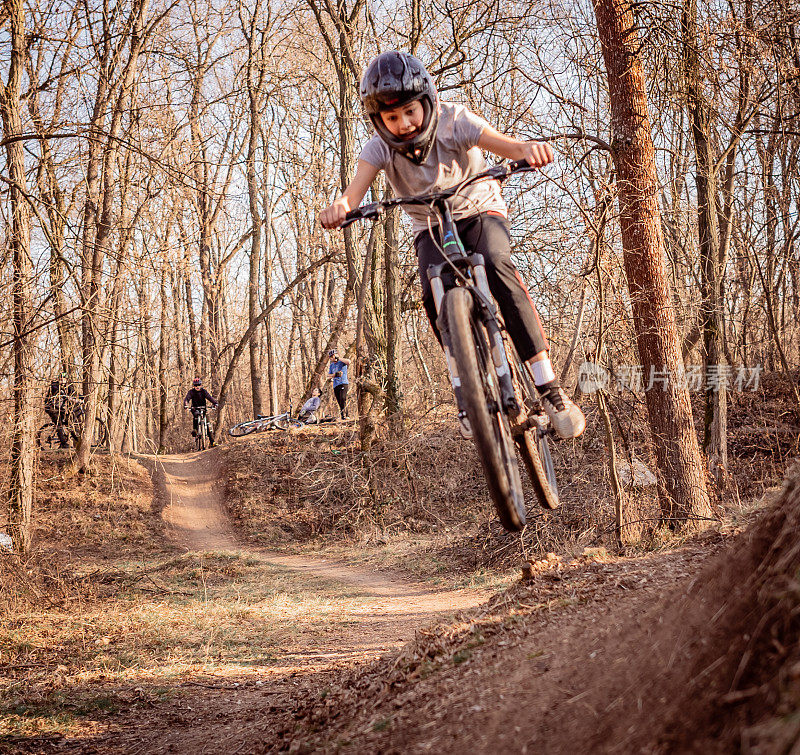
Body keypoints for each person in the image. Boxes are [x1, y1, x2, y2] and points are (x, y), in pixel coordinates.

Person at [320, 51, 585, 440]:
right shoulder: (378, 148)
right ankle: (467, 389)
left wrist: (527, 150)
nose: (404, 124)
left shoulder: (454, 120)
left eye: (410, 112)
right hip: (430, 225)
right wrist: (341, 208)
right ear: (379, 121)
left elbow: (503, 144)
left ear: (427, 103)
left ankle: (549, 388)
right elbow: (354, 192)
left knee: (495, 265)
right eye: (391, 118)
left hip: (479, 209)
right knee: (433, 291)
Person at [44, 373, 77, 448]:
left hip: (59, 408)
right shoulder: (54, 385)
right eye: (60, 379)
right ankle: (63, 443)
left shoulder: (68, 387)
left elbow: (74, 394)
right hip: (51, 407)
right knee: (59, 424)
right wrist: (64, 394)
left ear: (66, 380)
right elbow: (57, 391)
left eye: (63, 379)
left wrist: (81, 399)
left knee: (68, 421)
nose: (61, 380)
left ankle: (77, 439)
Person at [183, 377, 218, 446]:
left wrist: (215, 403)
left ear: (201, 385)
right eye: (195, 385)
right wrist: (186, 405)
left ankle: (212, 442)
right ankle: (195, 429)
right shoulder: (191, 392)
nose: (197, 387)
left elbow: (209, 397)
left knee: (208, 424)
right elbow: (187, 399)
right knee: (196, 416)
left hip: (203, 408)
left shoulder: (204, 391)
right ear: (194, 386)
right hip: (195, 408)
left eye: (198, 385)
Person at [327, 350, 351, 420]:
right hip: (335, 385)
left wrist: (338, 358)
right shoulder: (331, 365)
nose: (332, 358)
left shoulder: (342, 362)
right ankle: (343, 416)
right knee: (339, 401)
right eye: (331, 357)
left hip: (343, 383)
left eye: (333, 356)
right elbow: (328, 376)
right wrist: (335, 375)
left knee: (343, 398)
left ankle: (347, 415)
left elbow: (349, 362)